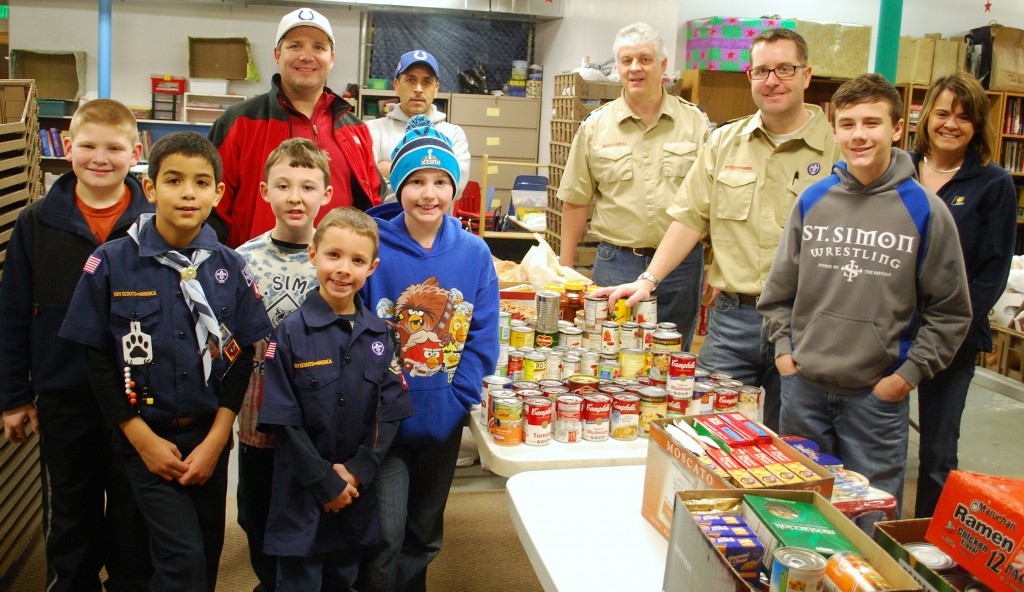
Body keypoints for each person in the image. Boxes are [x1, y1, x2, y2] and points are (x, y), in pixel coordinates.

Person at [595, 28, 841, 432]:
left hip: (807, 325)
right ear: (749, 76)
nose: (772, 80)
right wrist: (648, 279)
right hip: (733, 323)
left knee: (794, 444)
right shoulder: (724, 142)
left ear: (806, 75)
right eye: (761, 71)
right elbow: (690, 217)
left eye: (784, 69)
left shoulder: (838, 147)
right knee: (710, 436)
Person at [60, 131, 273, 592]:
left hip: (207, 440)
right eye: (174, 180)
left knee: (204, 556)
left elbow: (241, 358)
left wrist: (219, 438)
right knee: (174, 563)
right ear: (151, 188)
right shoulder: (112, 263)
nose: (188, 193)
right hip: (142, 438)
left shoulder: (231, 268)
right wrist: (140, 438)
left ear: (218, 193)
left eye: (201, 182)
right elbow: (95, 359)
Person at [756, 73, 971, 516]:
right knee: (797, 509)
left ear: (896, 130)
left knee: (868, 518)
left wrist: (904, 378)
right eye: (848, 123)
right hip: (803, 390)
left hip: (876, 400)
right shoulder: (813, 200)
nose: (859, 135)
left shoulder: (926, 211)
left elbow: (950, 313)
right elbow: (779, 293)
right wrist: (785, 356)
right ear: (834, 130)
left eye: (872, 123)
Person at [0, 99, 153, 592]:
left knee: (134, 512)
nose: (100, 158)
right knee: (72, 510)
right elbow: (13, 313)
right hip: (66, 394)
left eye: (114, 148)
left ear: (135, 151)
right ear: (68, 148)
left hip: (138, 396)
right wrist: (14, 396)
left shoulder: (156, 225)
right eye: (87, 146)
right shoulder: (36, 222)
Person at [359, 116, 499, 592]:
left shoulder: (475, 253)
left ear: (454, 189)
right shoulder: (373, 244)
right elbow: (354, 329)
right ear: (397, 186)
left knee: (424, 531)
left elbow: (482, 335)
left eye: (441, 182)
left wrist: (458, 400)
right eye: (415, 181)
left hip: (442, 418)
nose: (428, 193)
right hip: (383, 423)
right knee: (384, 533)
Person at [258, 207, 412, 591]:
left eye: (357, 260)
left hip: (355, 493)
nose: (344, 269)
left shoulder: (381, 336)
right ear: (313, 254)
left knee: (345, 577)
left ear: (372, 268)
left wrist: (358, 469)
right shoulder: (289, 333)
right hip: (302, 491)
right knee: (299, 581)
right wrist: (325, 481)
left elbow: (388, 413)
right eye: (333, 255)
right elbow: (282, 420)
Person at [558, 22, 710, 349]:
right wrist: (566, 269)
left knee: (671, 357)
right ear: (617, 68)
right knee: (609, 352)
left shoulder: (695, 123)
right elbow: (575, 200)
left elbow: (712, 202)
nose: (635, 68)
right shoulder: (595, 126)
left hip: (681, 266)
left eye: (645, 59)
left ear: (663, 66)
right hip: (618, 261)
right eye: (627, 61)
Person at [908, 72, 1017, 518]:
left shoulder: (993, 184)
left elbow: (992, 273)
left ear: (978, 126)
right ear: (926, 116)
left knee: (937, 450)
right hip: (886, 327)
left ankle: (923, 545)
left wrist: (948, 330)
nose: (951, 124)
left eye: (964, 117)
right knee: (872, 434)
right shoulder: (899, 169)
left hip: (952, 339)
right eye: (943, 113)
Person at [234, 138, 334, 591]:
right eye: (284, 185)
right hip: (258, 424)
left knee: (308, 525)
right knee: (255, 517)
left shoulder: (334, 261)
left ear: (326, 195)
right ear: (264, 191)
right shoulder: (241, 260)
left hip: (316, 427)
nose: (296, 197)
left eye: (308, 186)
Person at [209, 7, 384, 248]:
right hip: (251, 276)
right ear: (277, 54)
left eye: (318, 47)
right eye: (295, 45)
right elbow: (210, 208)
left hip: (334, 278)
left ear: (331, 58)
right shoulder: (238, 123)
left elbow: (373, 208)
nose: (306, 56)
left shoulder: (354, 131)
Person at [366, 49, 470, 200]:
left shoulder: (453, 134)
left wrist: (393, 170)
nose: (418, 89)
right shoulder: (372, 130)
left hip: (435, 223)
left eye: (426, 82)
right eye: (411, 80)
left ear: (436, 89)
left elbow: (456, 186)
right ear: (396, 85)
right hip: (384, 222)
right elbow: (369, 185)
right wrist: (436, 174)